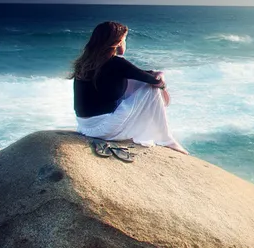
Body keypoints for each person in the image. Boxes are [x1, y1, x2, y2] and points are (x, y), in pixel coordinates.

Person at [70, 21, 188, 154]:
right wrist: (162, 84)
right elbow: (155, 82)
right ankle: (166, 139)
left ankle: (163, 136)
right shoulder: (117, 63)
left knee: (137, 81)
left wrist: (154, 75)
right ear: (118, 42)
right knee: (151, 88)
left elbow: (138, 73)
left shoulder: (84, 62)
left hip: (84, 127)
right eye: (124, 39)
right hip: (103, 129)